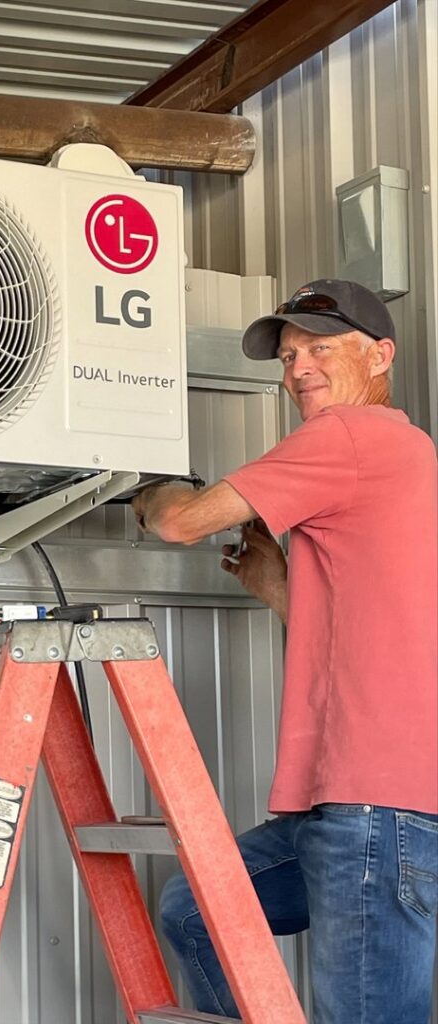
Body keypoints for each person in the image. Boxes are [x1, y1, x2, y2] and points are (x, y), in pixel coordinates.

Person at [132, 279, 438, 1024]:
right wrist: (277, 585)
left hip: (377, 807)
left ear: (381, 356)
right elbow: (369, 632)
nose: (298, 367)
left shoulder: (350, 435)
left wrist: (148, 490)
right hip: (351, 804)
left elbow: (184, 524)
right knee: (197, 909)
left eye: (320, 347)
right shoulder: (402, 455)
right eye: (289, 353)